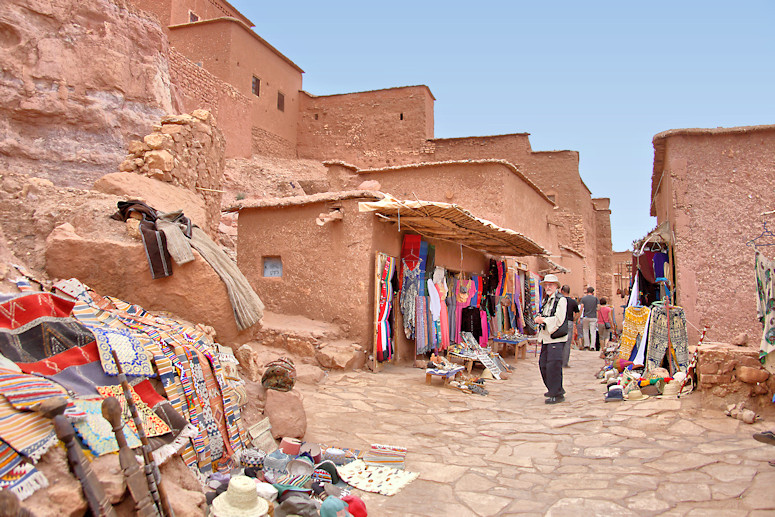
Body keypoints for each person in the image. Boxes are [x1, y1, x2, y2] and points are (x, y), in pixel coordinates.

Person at [535, 274, 567, 404]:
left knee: (553, 366)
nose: (548, 287)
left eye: (550, 285)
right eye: (546, 285)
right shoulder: (546, 300)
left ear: (556, 286)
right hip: (546, 338)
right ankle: (554, 389)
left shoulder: (561, 300)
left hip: (556, 338)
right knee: (543, 365)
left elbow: (559, 319)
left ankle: (556, 393)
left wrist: (544, 320)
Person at [560, 285, 579, 368]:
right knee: (567, 344)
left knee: (559, 342)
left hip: (560, 322)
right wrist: (574, 320)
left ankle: (558, 362)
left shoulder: (560, 301)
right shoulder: (573, 301)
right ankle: (565, 363)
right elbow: (578, 313)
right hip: (569, 322)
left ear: (562, 291)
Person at [580, 286, 599, 350]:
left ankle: (586, 344)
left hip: (586, 316)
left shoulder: (583, 298)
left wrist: (580, 315)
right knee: (593, 332)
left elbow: (582, 307)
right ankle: (592, 346)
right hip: (593, 316)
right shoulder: (595, 299)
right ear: (593, 292)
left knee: (585, 330)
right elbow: (599, 308)